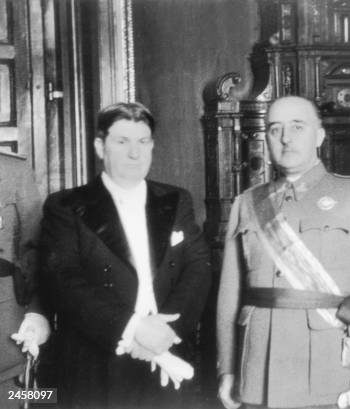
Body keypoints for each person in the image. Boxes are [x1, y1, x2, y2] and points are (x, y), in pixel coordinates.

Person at [216, 96, 350, 409]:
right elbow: (229, 297)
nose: (286, 138)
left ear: (319, 136)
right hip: (258, 373)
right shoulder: (247, 203)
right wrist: (227, 369)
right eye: (275, 129)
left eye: (297, 127)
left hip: (329, 372)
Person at [39, 102, 210, 408]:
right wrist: (133, 328)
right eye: (122, 141)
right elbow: (63, 280)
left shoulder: (176, 199)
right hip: (98, 363)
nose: (135, 153)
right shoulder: (65, 206)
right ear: (100, 147)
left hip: (167, 356)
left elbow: (198, 268)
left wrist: (166, 332)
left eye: (143, 142)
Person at [1, 154, 51, 405]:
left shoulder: (13, 170)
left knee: (17, 399)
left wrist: (37, 312)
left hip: (6, 334)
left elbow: (38, 252)